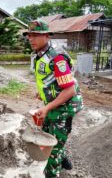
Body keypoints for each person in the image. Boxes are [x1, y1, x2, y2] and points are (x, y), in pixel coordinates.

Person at [23, 20, 83, 178]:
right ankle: (63, 159)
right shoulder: (40, 55)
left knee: (54, 145)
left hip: (64, 106)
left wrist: (47, 107)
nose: (31, 38)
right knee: (48, 133)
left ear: (47, 36)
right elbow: (49, 80)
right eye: (29, 35)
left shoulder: (57, 58)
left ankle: (52, 171)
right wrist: (42, 94)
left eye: (35, 35)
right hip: (53, 103)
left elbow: (69, 90)